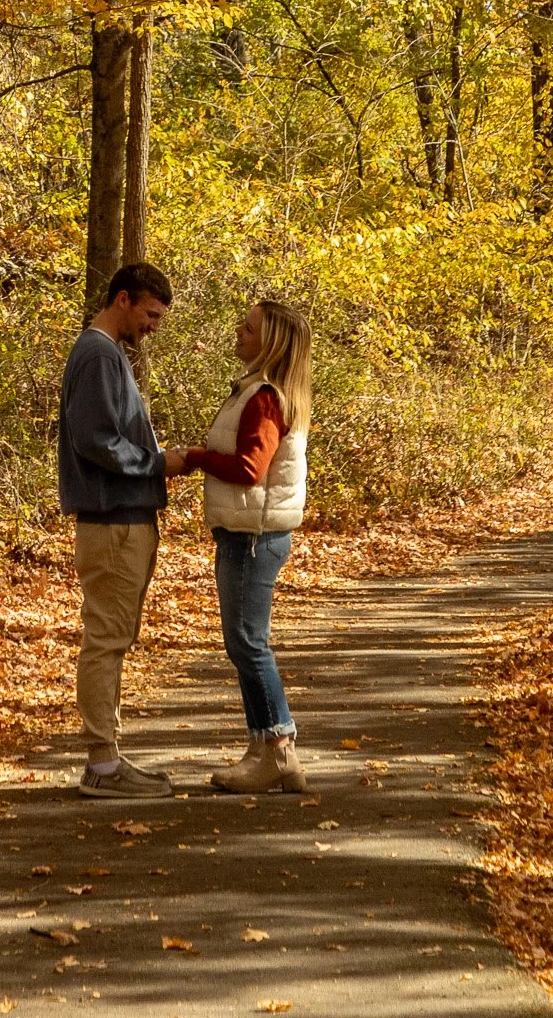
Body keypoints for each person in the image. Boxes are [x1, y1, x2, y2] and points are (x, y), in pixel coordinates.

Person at [58, 261, 188, 799]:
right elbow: (96, 439)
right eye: (150, 314)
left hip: (122, 519)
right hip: (111, 521)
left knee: (113, 638)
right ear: (123, 300)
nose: (153, 325)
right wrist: (159, 462)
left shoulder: (108, 355)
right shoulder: (97, 355)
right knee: (106, 639)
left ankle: (109, 756)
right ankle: (102, 764)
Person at [177, 297, 311, 794]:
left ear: (270, 342)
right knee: (242, 643)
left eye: (249, 327)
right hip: (251, 534)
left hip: (253, 538)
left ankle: (278, 748)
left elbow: (251, 470)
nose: (239, 332)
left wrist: (192, 457)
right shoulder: (261, 392)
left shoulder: (265, 398)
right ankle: (262, 748)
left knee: (249, 644)